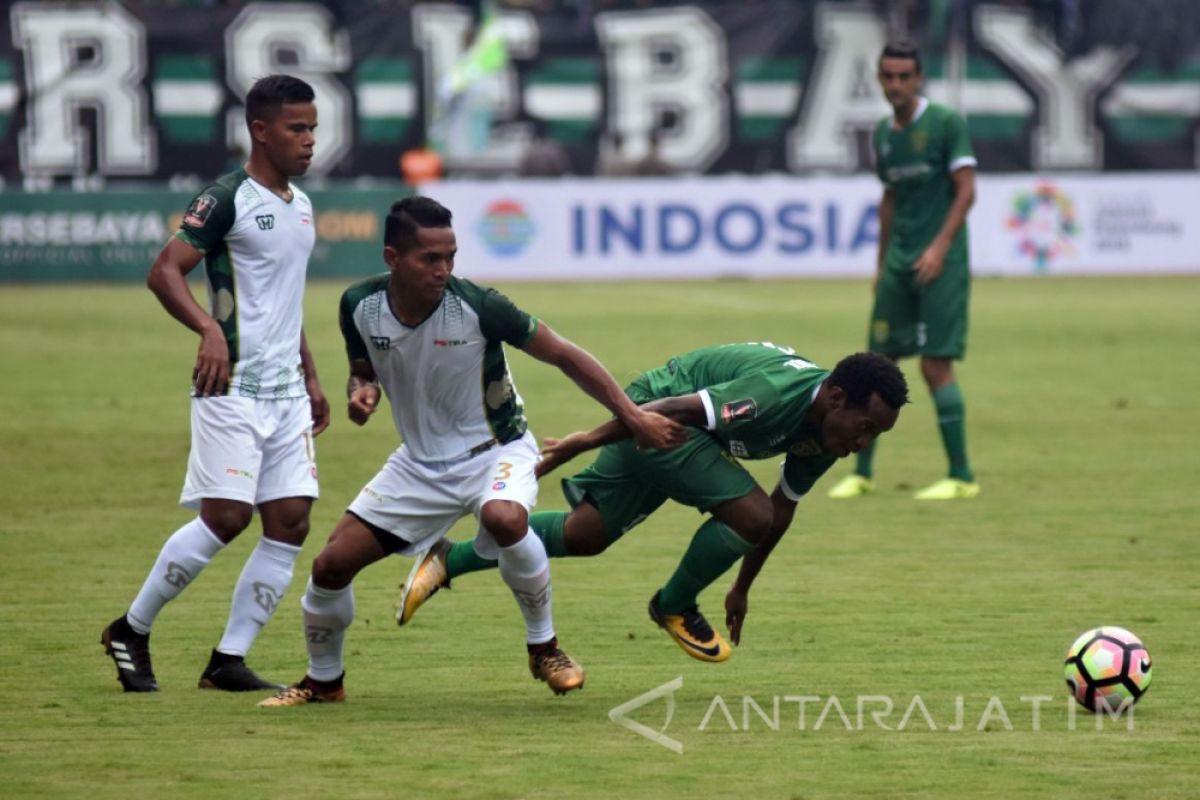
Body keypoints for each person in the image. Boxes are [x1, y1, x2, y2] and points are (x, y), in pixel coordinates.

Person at [258, 197, 685, 706]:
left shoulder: (481, 307)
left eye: (451, 256)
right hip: (418, 465)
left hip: (496, 449)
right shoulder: (358, 304)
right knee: (329, 567)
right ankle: (324, 682)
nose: (444, 270)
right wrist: (361, 390)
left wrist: (633, 416)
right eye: (429, 259)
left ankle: (543, 646)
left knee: (505, 519)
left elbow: (567, 356)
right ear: (393, 257)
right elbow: (364, 367)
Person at [397, 343, 909, 662]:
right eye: (866, 428)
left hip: (679, 435)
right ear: (838, 398)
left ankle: (448, 559)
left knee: (586, 534)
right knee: (750, 511)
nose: (863, 444)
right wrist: (584, 441)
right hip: (651, 412)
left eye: (876, 436)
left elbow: (784, 512)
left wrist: (741, 586)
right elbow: (669, 410)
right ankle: (673, 606)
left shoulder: (826, 438)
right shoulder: (775, 394)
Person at [100, 75, 328, 693]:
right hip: (231, 388)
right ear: (260, 129)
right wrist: (209, 329)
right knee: (226, 517)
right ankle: (131, 627)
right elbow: (164, 271)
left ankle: (228, 658)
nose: (309, 141)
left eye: (312, 128)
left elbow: (285, 302)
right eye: (296, 129)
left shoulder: (300, 205)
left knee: (289, 522)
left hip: (285, 392)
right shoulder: (224, 197)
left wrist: (310, 374)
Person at [827, 41, 980, 502]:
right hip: (898, 263)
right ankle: (861, 473)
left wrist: (939, 247)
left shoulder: (946, 124)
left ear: (918, 79)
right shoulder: (882, 134)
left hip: (942, 263)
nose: (895, 84)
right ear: (879, 79)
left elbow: (966, 191)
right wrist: (880, 264)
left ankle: (961, 476)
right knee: (875, 368)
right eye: (887, 76)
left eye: (903, 76)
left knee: (935, 366)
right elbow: (889, 198)